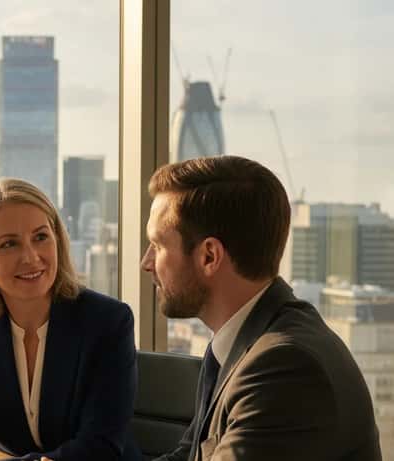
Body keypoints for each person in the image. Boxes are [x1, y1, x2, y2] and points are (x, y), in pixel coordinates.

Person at [142, 156, 381, 461]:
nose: (146, 262)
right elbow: (187, 455)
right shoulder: (242, 343)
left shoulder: (284, 368)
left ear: (209, 256)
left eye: (158, 246)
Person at [0, 178, 140, 461]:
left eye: (40, 237)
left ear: (57, 239)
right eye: (9, 244)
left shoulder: (108, 322)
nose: (30, 257)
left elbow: (99, 445)